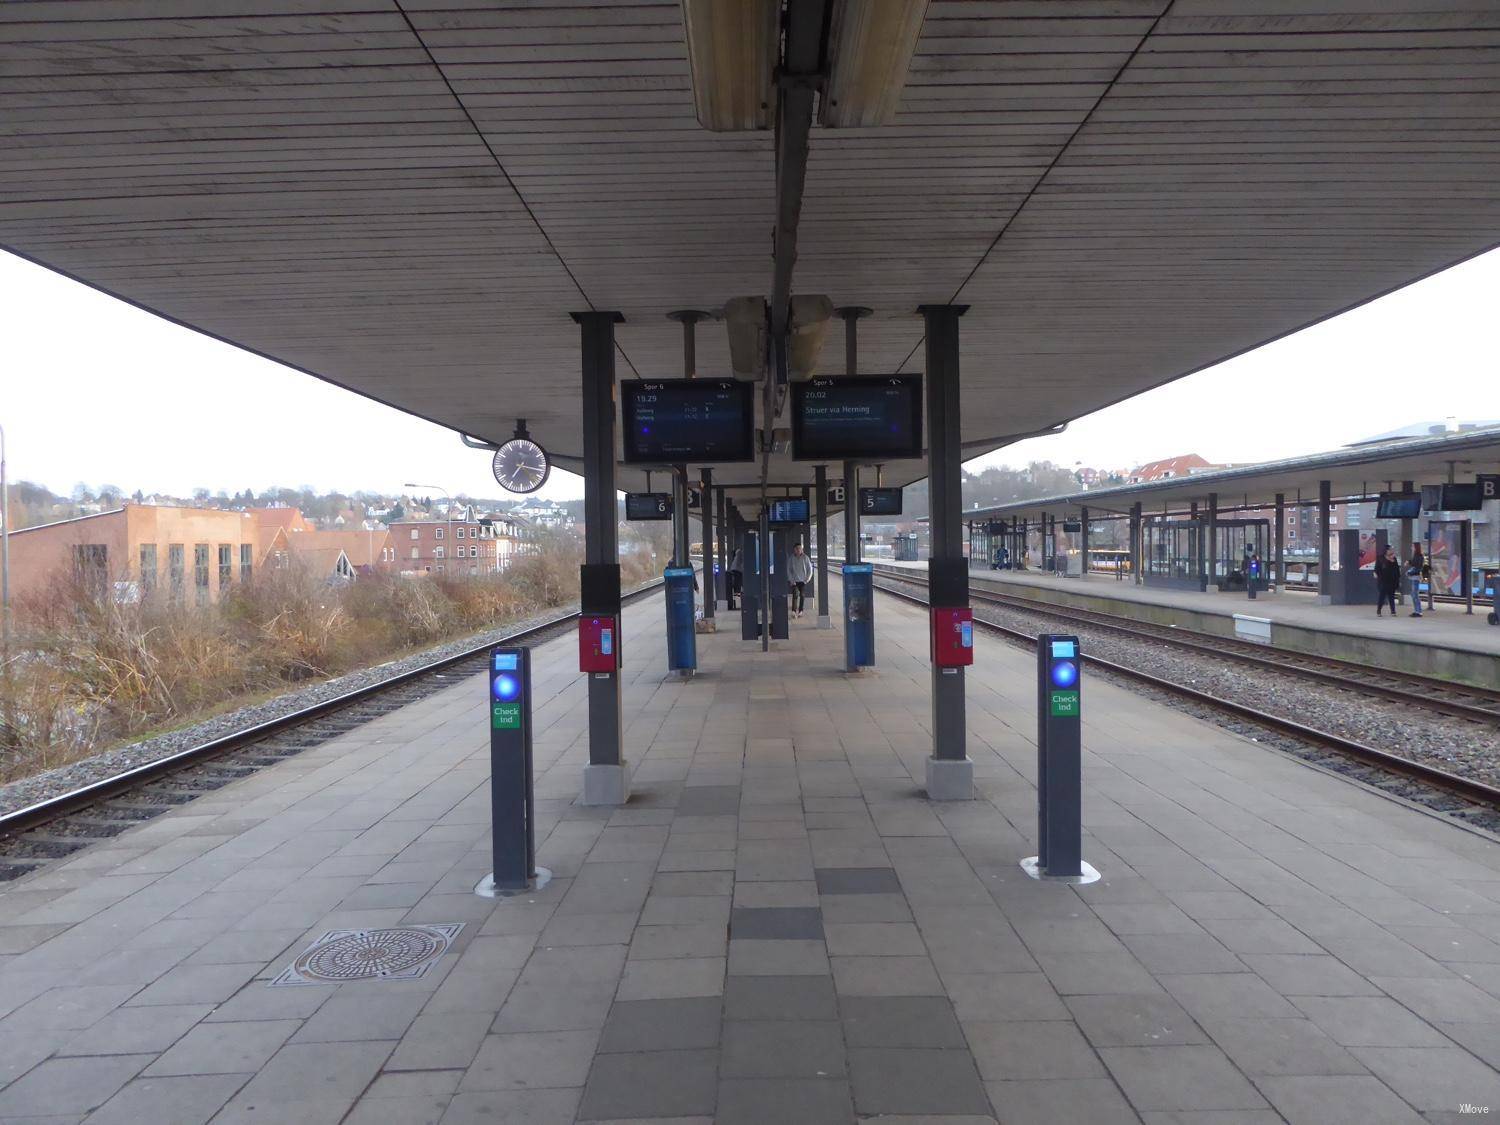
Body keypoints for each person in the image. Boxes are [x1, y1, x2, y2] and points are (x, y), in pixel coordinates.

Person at [787, 543, 814, 617]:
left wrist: (807, 580)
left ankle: (801, 610)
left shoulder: (806, 558)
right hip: (794, 581)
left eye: (800, 548)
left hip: (803, 581)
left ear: (802, 549)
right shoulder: (791, 558)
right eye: (797, 548)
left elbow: (810, 570)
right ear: (794, 550)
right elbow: (788, 570)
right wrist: (791, 580)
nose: (798, 550)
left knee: (802, 595)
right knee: (795, 594)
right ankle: (793, 611)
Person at [1374, 544, 1400, 617]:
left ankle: (1393, 611)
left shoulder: (1394, 558)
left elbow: (1397, 570)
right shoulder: (1380, 558)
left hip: (1391, 580)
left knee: (1391, 596)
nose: (1390, 551)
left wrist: (1392, 561)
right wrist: (1375, 573)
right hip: (1383, 580)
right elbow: (1377, 568)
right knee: (1382, 596)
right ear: (1385, 550)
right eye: (1389, 549)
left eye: (1391, 549)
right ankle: (1379, 611)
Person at [1406, 544, 1428, 617]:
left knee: (1415, 594)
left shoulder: (1419, 556)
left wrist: (1410, 563)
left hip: (1416, 576)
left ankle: (1419, 611)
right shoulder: (1416, 555)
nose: (1411, 548)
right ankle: (1416, 610)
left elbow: (1418, 566)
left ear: (1416, 548)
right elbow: (1414, 563)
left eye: (1412, 546)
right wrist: (1409, 562)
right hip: (1414, 576)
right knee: (1413, 594)